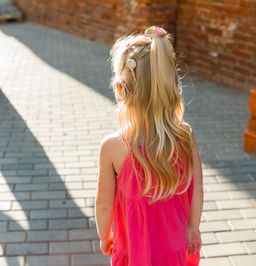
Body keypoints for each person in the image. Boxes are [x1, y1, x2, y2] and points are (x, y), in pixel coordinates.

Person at [95, 26, 203, 266]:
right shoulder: (185, 136)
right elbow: (197, 188)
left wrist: (105, 235)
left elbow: (103, 203)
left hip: (134, 252)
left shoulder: (112, 147)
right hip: (175, 249)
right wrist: (193, 226)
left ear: (120, 90)